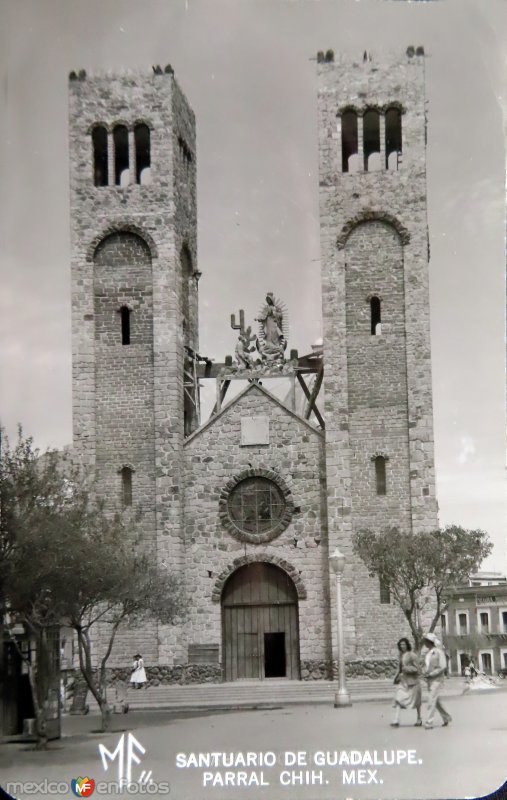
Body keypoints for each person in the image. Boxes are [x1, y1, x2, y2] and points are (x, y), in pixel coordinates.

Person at [421, 633, 452, 729]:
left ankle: (429, 722)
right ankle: (446, 717)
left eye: (426, 641)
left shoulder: (439, 652)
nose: (424, 642)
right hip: (429, 680)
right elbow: (426, 665)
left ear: (430, 642)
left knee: (431, 700)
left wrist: (432, 673)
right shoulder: (428, 653)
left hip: (437, 680)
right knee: (436, 700)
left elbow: (443, 666)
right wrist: (424, 672)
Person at [391, 637, 422, 727]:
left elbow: (418, 669)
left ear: (407, 645)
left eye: (404, 644)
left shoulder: (412, 655)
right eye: (400, 645)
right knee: (398, 698)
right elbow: (399, 668)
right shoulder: (400, 655)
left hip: (413, 681)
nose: (402, 646)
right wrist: (396, 677)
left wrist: (407, 669)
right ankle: (396, 719)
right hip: (403, 681)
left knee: (417, 702)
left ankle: (419, 718)